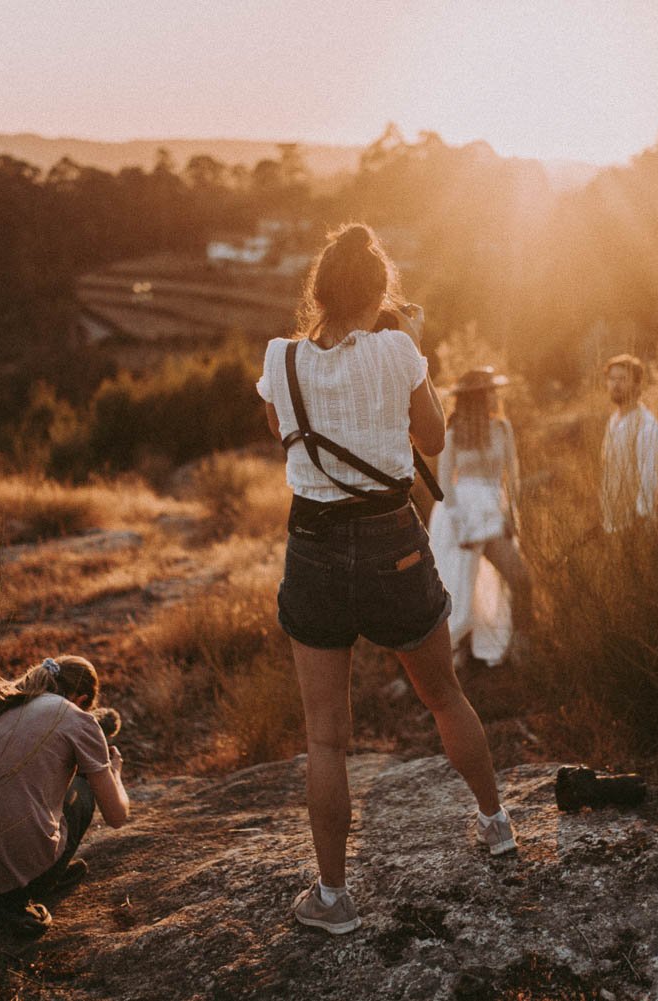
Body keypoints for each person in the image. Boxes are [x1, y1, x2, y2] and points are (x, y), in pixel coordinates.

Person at [256, 223, 515, 936]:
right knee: (444, 695)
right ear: (380, 295)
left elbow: (284, 431)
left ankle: (333, 897)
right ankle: (495, 823)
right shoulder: (398, 351)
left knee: (327, 738)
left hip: (314, 547)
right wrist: (407, 353)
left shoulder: (279, 358)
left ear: (319, 292)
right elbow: (432, 438)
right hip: (391, 540)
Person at [0, 654, 130, 937]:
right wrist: (115, 772)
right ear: (82, 699)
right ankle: (19, 899)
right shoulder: (75, 717)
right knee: (84, 787)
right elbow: (116, 816)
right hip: (7, 869)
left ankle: (41, 872)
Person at [428, 366, 533, 666]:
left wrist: (512, 513)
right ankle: (458, 650)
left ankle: (521, 644)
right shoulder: (453, 433)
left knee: (520, 578)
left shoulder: (502, 428)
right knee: (460, 586)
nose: (494, 397)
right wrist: (460, 526)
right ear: (475, 398)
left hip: (493, 512)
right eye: (489, 392)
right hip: (461, 515)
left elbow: (512, 475)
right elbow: (445, 483)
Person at [601, 353, 658, 533]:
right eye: (612, 379)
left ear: (637, 384)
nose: (615, 385)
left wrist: (641, 517)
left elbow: (649, 475)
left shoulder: (647, 424)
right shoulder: (613, 421)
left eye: (622, 379)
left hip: (636, 526)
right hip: (612, 520)